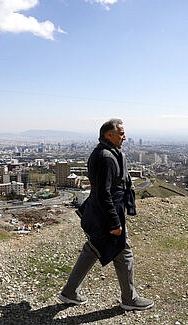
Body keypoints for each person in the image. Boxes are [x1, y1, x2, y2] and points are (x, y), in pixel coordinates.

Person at [57, 118, 154, 311]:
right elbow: (104, 193)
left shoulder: (109, 153)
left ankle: (69, 292)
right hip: (106, 216)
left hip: (101, 213)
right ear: (109, 134)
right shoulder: (105, 157)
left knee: (93, 249)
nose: (124, 137)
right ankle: (130, 299)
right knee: (123, 252)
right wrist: (114, 223)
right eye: (121, 133)